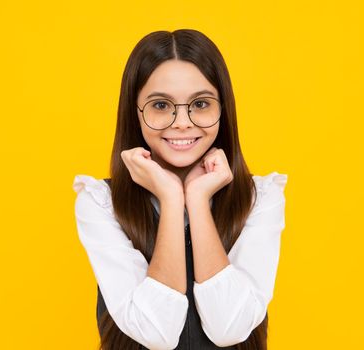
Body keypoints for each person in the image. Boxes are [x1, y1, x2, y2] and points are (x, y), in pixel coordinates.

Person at [73, 29, 288, 350]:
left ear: (223, 109)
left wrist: (198, 200)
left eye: (200, 103)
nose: (182, 122)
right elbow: (156, 332)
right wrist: (172, 198)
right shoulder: (101, 203)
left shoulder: (260, 198)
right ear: (136, 112)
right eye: (161, 105)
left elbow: (229, 327)